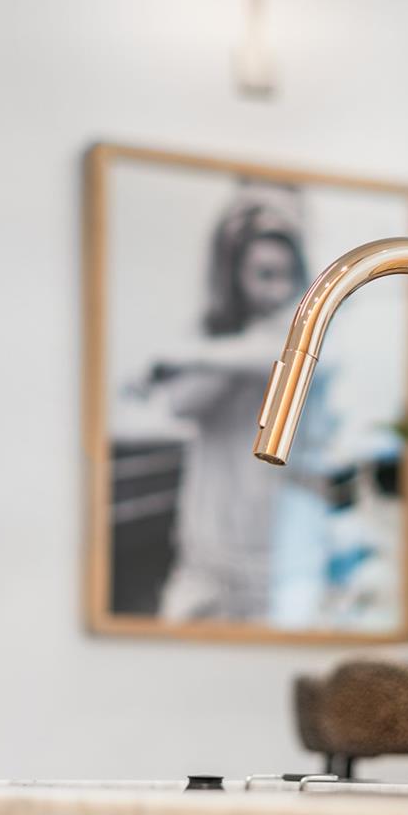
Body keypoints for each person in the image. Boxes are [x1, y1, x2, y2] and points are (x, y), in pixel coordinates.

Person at [147, 180, 325, 621]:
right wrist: (232, 356)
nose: (276, 289)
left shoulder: (305, 338)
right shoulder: (219, 339)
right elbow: (180, 404)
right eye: (264, 275)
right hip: (205, 557)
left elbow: (282, 355)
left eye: (285, 275)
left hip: (272, 564)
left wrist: (186, 357)